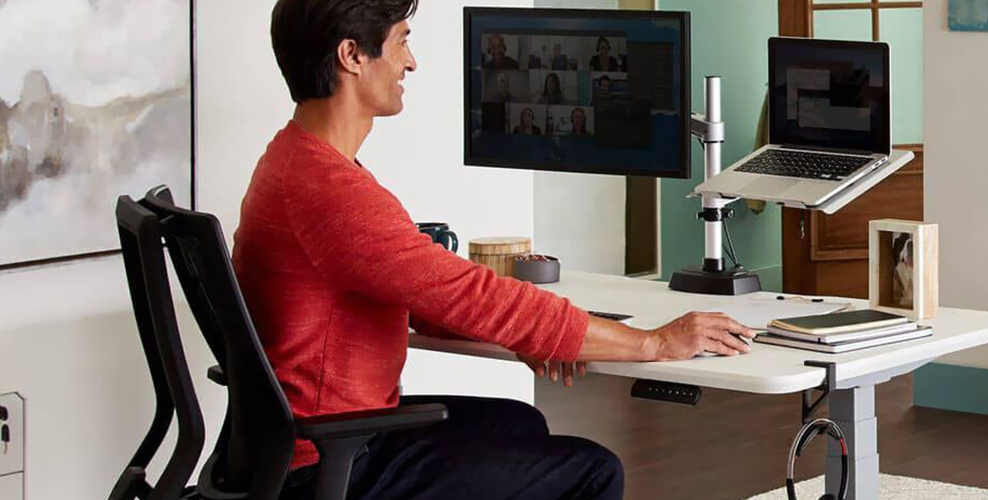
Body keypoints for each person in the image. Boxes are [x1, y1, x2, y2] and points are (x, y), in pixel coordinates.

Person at [243, 1, 755, 499]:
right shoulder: (331, 192)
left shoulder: (293, 159)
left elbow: (430, 297)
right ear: (352, 55)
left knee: (520, 422)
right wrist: (652, 343)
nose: (411, 61)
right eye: (401, 41)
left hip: (307, 437)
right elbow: (468, 294)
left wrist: (539, 335)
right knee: (592, 471)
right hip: (329, 462)